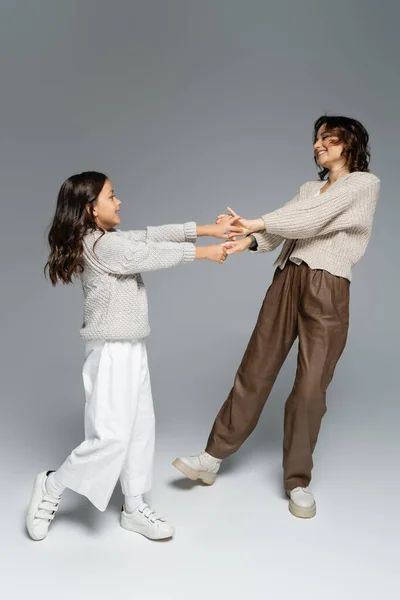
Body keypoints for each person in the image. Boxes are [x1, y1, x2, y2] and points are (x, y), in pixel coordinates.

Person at [173, 115, 381, 519]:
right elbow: (283, 230)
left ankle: (297, 480)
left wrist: (259, 221)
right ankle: (211, 458)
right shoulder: (308, 188)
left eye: (328, 137)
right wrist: (246, 240)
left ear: (349, 143)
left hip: (328, 284)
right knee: (256, 368)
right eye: (316, 138)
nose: (319, 144)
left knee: (310, 386)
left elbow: (314, 218)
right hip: (288, 278)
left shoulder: (363, 185)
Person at [26, 171, 239, 541]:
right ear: (91, 209)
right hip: (110, 351)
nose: (119, 201)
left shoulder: (109, 238)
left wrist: (208, 229)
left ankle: (133, 506)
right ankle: (52, 486)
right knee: (109, 437)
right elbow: (148, 253)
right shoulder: (103, 246)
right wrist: (205, 252)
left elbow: (151, 234)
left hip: (131, 346)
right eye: (112, 195)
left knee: (140, 428)